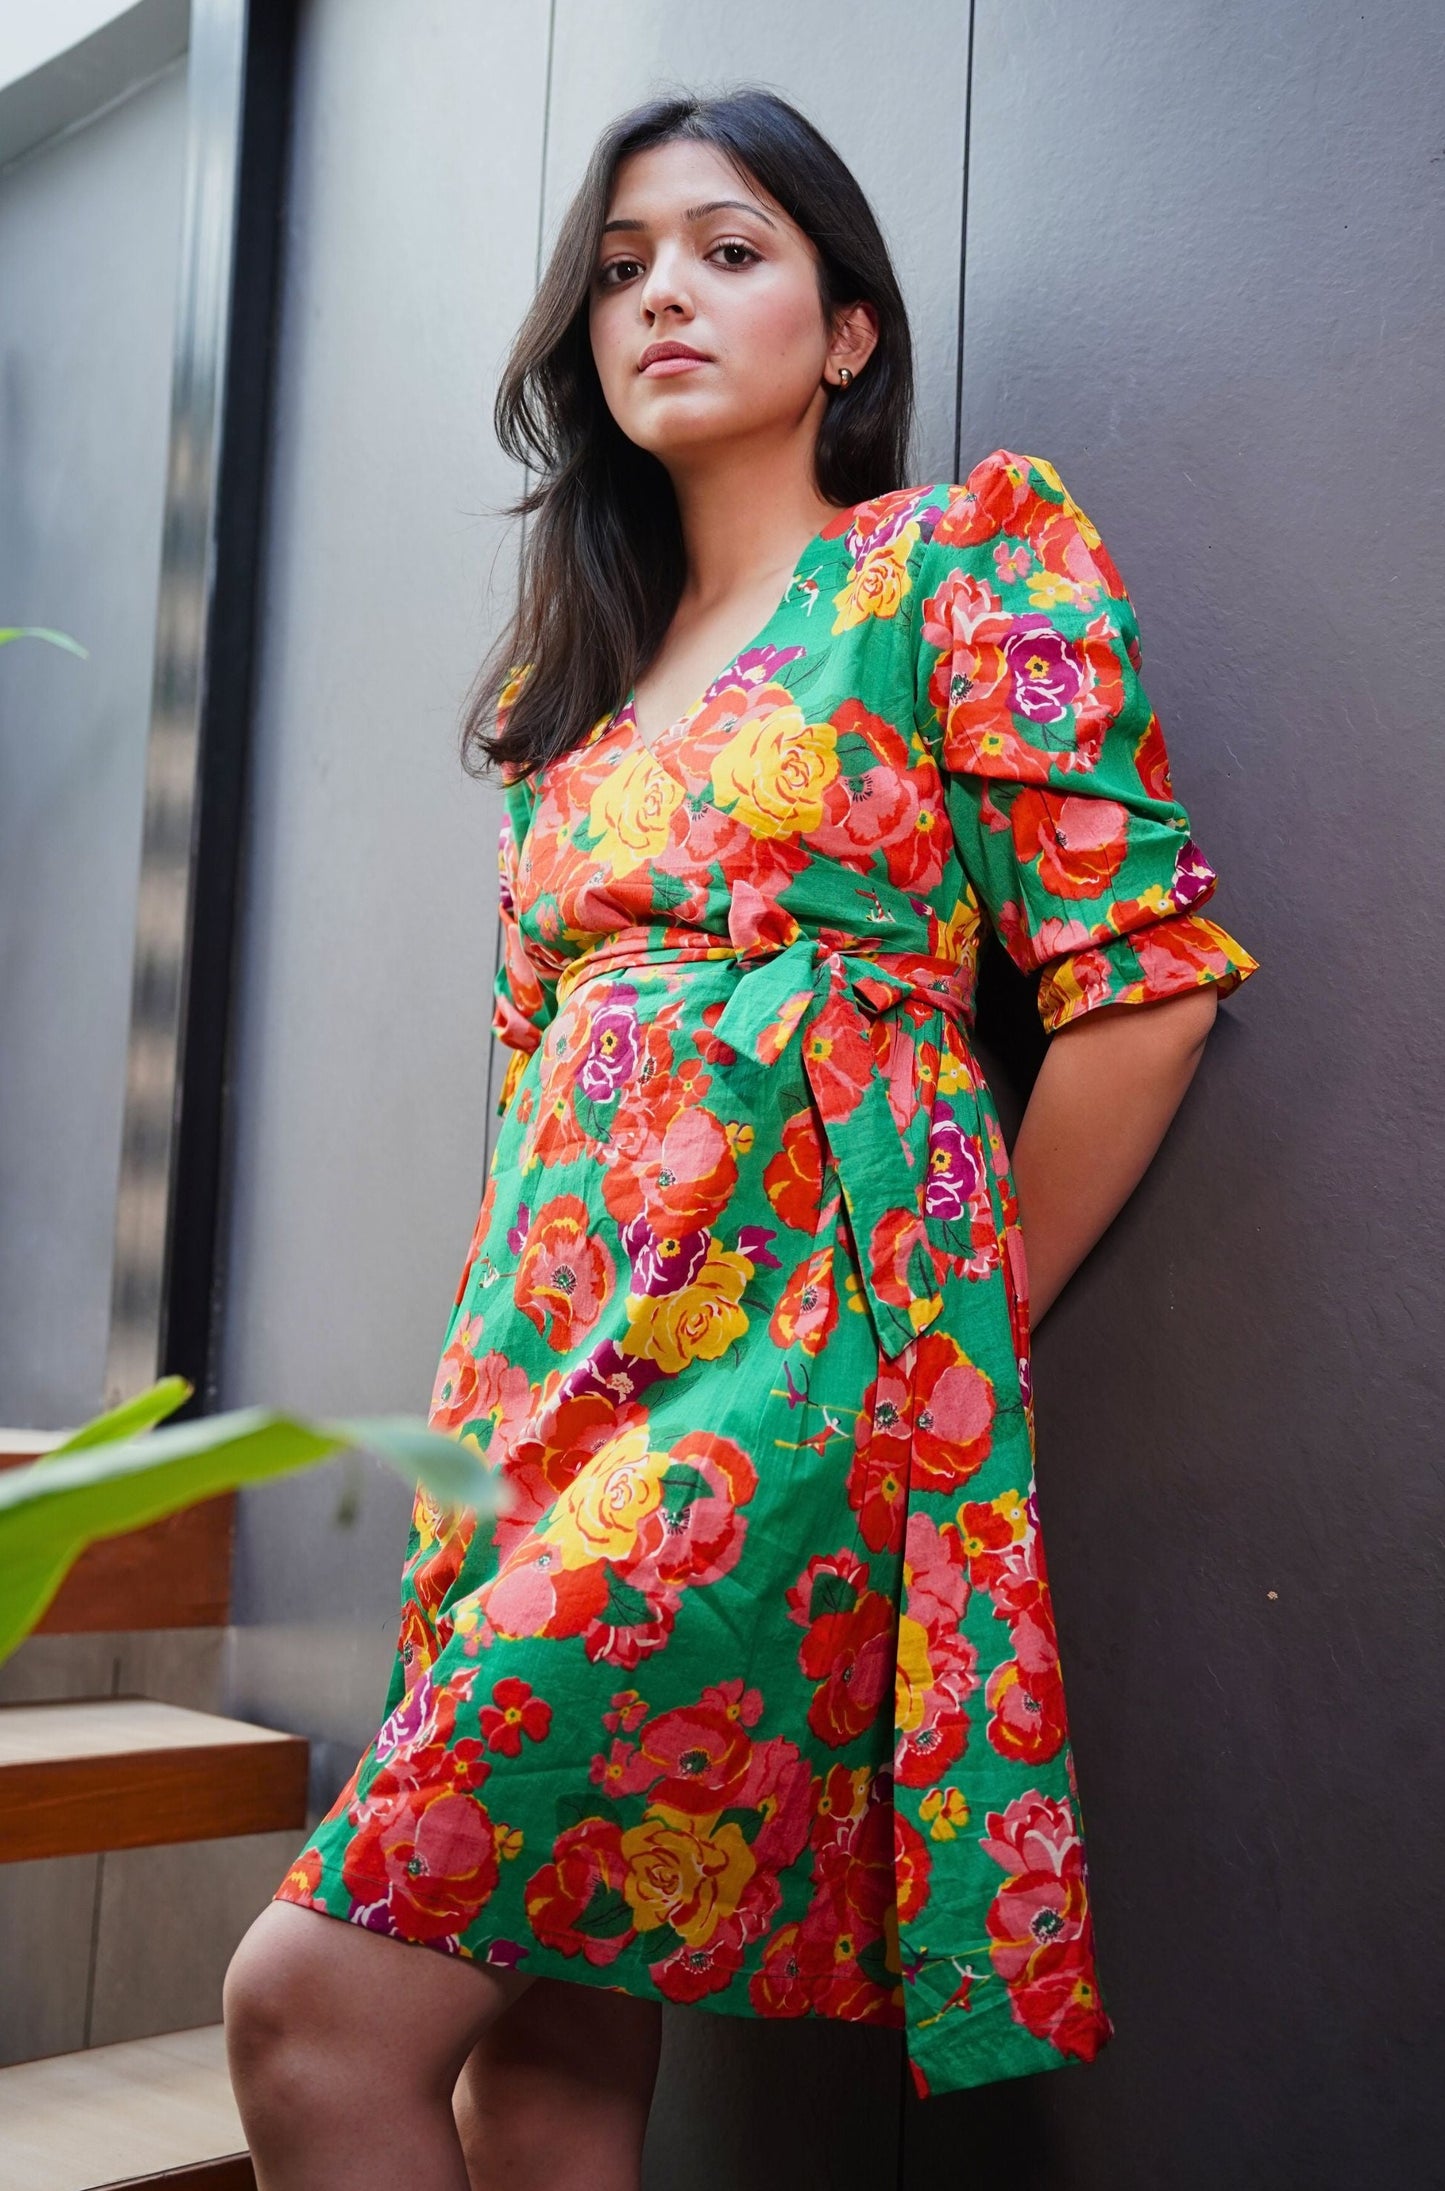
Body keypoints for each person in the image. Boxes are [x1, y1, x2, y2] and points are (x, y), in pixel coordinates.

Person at [224, 85, 1259, 2191]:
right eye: (619, 270)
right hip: (528, 1396)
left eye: (726, 247)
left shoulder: (949, 567)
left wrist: (937, 1352)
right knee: (550, 2065)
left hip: (787, 1396)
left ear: (847, 329)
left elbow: (1140, 982)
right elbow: (540, 1108)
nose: (662, 296)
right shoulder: (568, 722)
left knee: (304, 2005)